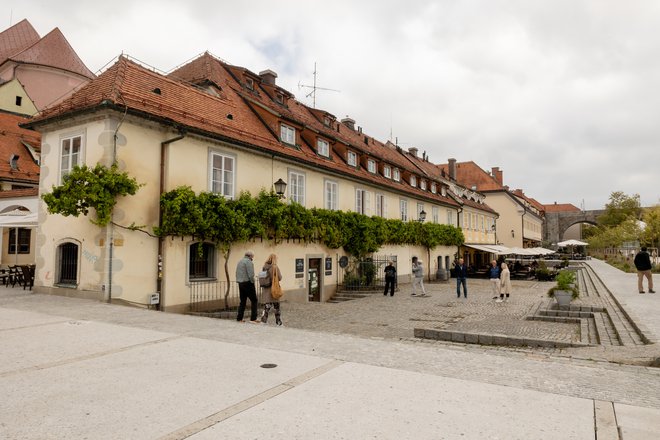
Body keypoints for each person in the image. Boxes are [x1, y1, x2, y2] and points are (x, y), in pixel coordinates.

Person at [260, 254, 283, 325]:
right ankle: (278, 322)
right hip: (274, 289)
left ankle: (263, 321)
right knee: (277, 307)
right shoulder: (274, 267)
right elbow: (280, 277)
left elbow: (263, 278)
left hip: (266, 289)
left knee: (267, 306)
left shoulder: (264, 267)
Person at [236, 250, 259, 322]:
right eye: (252, 257)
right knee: (254, 300)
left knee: (242, 301)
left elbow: (236, 272)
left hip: (240, 283)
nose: (253, 258)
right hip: (248, 283)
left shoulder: (240, 261)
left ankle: (239, 318)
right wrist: (252, 282)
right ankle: (253, 318)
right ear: (250, 256)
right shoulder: (249, 262)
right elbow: (251, 274)